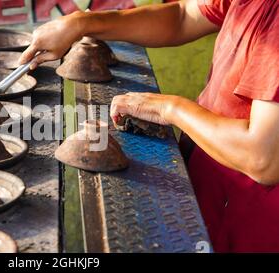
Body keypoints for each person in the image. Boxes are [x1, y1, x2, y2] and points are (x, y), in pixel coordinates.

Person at [19, 0, 279, 252]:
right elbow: (183, 15)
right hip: (210, 187)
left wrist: (170, 108)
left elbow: (262, 158)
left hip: (252, 220)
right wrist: (82, 22)